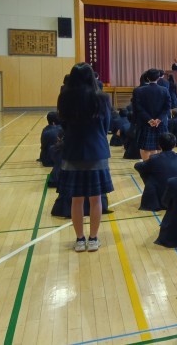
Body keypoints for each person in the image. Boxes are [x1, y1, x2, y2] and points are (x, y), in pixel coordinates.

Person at [57, 62, 114, 252]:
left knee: (76, 199)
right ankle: (93, 238)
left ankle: (80, 240)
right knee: (96, 199)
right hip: (96, 150)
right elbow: (106, 126)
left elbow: (63, 124)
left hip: (73, 151)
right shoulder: (101, 98)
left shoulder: (64, 98)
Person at [134, 133, 177, 211]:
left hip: (159, 198)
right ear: (175, 145)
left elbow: (137, 166)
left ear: (159, 145)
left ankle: (153, 198)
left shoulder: (154, 158)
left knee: (147, 171)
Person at [134, 68, 171, 161]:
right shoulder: (164, 90)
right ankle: (158, 166)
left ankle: (147, 166)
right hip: (160, 123)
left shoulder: (139, 90)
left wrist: (149, 119)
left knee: (145, 147)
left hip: (145, 123)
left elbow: (138, 108)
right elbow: (167, 107)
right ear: (158, 78)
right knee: (161, 146)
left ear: (147, 77)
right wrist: (159, 119)